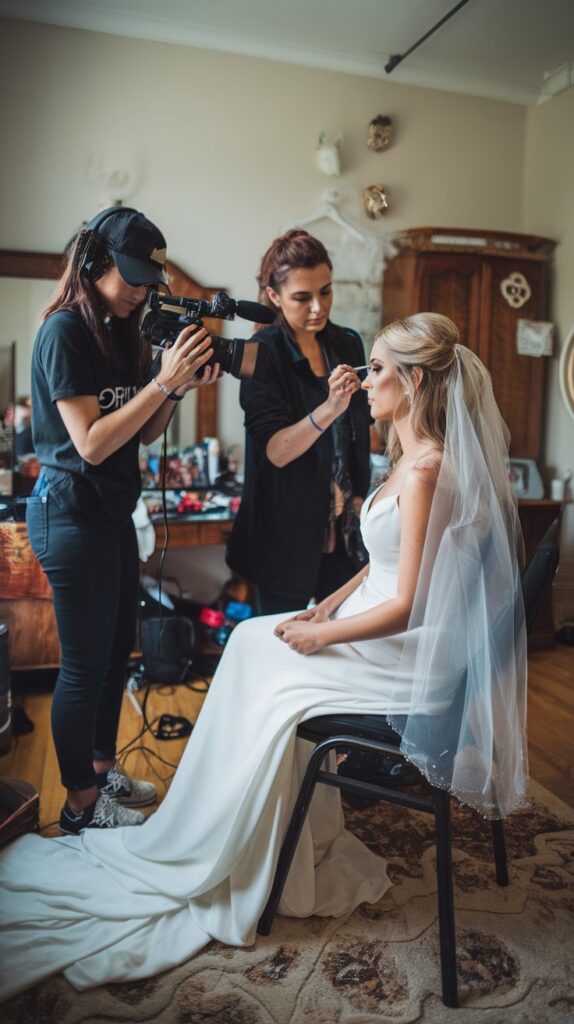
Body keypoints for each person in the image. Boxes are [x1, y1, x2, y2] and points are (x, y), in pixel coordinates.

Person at [0, 313, 527, 1001]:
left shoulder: (428, 471)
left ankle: (226, 842)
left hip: (406, 654)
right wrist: (324, 608)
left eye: (375, 371)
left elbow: (408, 606)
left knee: (255, 646)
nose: (363, 382)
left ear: (414, 379)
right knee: (253, 637)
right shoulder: (409, 459)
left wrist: (320, 638)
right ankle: (227, 825)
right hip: (379, 627)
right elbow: (380, 573)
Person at [24, 206, 219, 836]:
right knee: (81, 665)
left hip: (111, 515)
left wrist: (178, 386)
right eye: (129, 275)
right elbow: (91, 443)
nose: (139, 289)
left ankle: (101, 771)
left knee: (115, 657)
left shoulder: (122, 328)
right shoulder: (64, 333)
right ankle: (78, 804)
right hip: (69, 518)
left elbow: (144, 429)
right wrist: (160, 384)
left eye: (146, 279)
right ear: (93, 263)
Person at [226, 229, 372, 614]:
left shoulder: (347, 343)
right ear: (274, 297)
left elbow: (360, 429)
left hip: (344, 531)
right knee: (279, 644)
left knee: (340, 641)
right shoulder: (260, 353)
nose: (317, 307)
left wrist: (359, 493)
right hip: (282, 535)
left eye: (325, 291)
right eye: (302, 297)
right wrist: (329, 407)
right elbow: (276, 451)